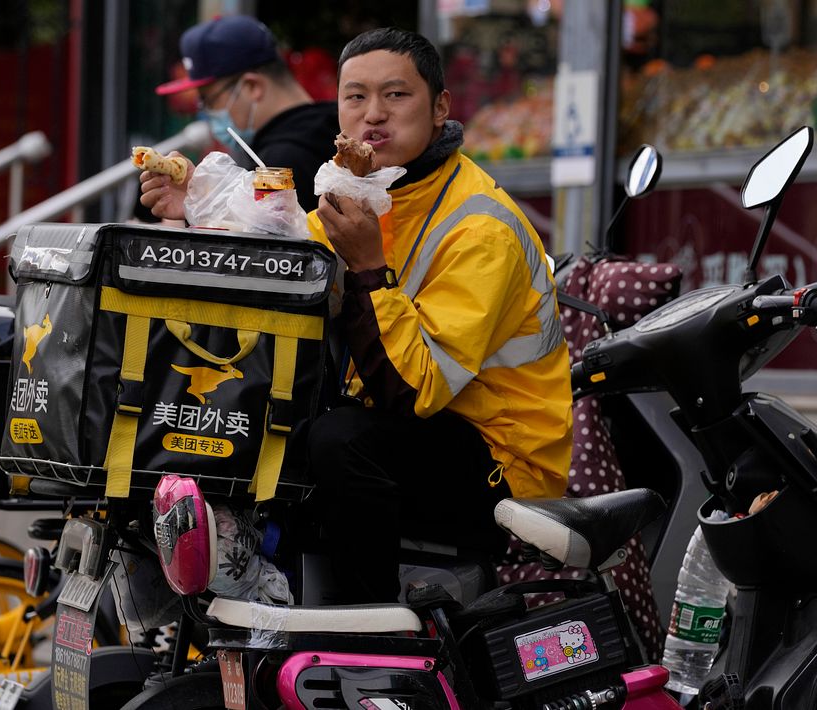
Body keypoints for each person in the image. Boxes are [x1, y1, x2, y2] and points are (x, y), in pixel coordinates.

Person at [142, 28, 573, 603]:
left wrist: (369, 267)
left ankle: (367, 626)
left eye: (397, 96)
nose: (374, 116)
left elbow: (411, 391)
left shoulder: (480, 228)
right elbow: (291, 256)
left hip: (500, 463)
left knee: (340, 440)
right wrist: (198, 205)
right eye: (355, 97)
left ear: (440, 106)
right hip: (412, 430)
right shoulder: (363, 191)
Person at [154, 14, 340, 212]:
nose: (207, 113)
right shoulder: (337, 132)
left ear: (252, 87)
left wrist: (201, 206)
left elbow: (261, 239)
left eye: (209, 100)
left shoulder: (277, 167)